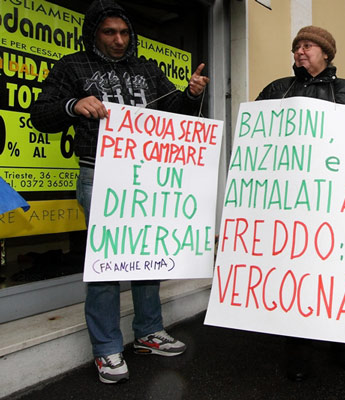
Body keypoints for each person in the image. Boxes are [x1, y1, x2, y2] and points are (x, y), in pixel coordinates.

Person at [30, 0, 209, 384]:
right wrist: (74, 104)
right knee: (105, 265)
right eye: (109, 32)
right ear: (94, 33)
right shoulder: (72, 66)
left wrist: (192, 94)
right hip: (99, 175)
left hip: (145, 177)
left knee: (146, 256)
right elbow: (40, 114)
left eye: (125, 32)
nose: (119, 40)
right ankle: (107, 348)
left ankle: (148, 332)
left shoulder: (147, 69)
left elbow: (177, 111)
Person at [256, 25, 345, 381]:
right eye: (297, 46)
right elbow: (256, 140)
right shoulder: (277, 91)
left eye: (308, 45)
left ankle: (343, 340)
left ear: (326, 53)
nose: (300, 51)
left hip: (337, 205)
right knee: (297, 275)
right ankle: (298, 348)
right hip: (291, 203)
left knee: (337, 273)